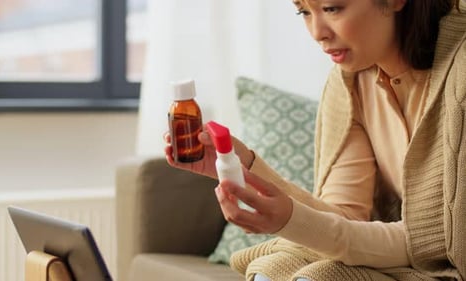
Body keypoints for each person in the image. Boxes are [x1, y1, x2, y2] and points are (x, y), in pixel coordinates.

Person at [164, 0, 465, 280]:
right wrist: (246, 167)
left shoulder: (460, 77)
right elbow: (343, 217)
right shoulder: (350, 79)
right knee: (278, 266)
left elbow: (438, 246)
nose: (317, 33)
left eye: (332, 8)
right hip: (405, 257)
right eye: (303, 11)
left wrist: (290, 221)